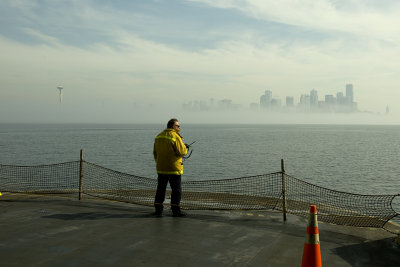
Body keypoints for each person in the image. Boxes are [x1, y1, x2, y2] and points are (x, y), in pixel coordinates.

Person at [153, 118, 188, 217]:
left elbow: (155, 153)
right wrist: (186, 148)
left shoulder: (158, 136)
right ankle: (175, 210)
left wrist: (160, 163)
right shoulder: (175, 136)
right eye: (178, 126)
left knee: (160, 189)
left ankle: (158, 210)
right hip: (174, 169)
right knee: (176, 191)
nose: (179, 127)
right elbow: (182, 152)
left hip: (161, 169)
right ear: (173, 126)